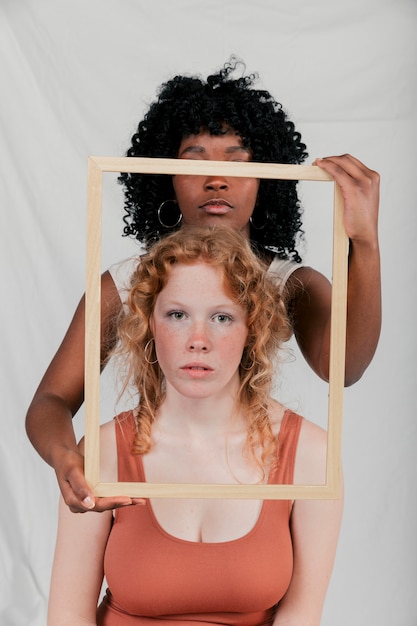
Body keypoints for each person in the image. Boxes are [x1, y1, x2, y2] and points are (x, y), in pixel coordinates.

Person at [26, 57, 381, 513]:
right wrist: (64, 457)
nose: (217, 179)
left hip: (245, 492)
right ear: (167, 178)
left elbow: (345, 367)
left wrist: (366, 243)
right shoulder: (126, 283)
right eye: (196, 161)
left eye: (237, 163)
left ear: (265, 180)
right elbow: (51, 400)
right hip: (149, 489)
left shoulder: (289, 283)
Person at [47, 226, 344, 626]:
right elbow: (67, 617)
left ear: (251, 329)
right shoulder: (102, 450)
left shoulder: (311, 454)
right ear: (150, 324)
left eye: (221, 317)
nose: (197, 339)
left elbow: (302, 615)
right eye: (177, 314)